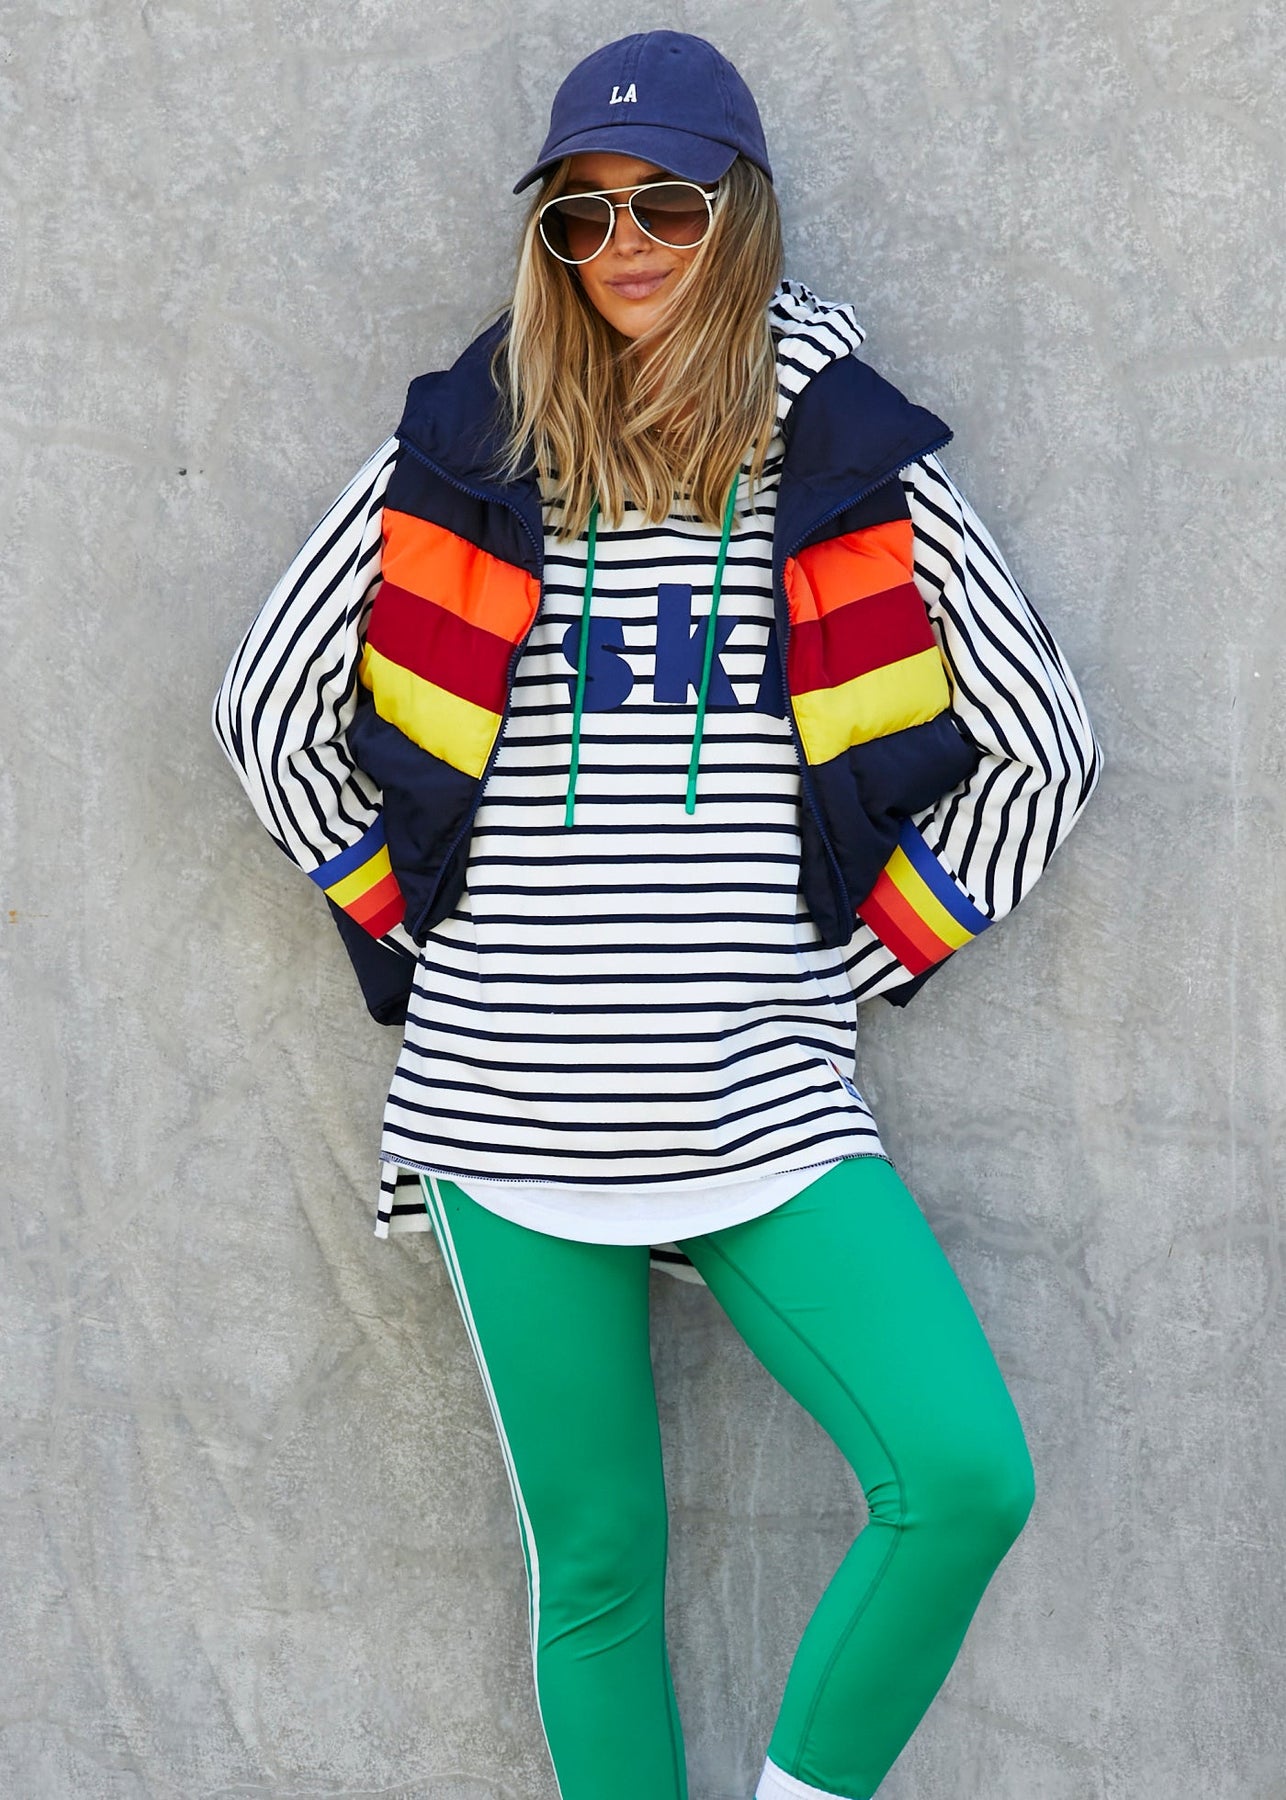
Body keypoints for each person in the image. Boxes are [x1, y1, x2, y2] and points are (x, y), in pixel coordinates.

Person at [213, 29, 1101, 1800]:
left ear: (739, 216)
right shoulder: (467, 453)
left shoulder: (843, 462)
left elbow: (1044, 746)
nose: (623, 243)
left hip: (762, 1104)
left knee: (958, 1474)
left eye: (667, 204)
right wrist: (416, 931)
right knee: (602, 1563)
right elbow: (264, 711)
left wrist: (858, 956)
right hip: (503, 1112)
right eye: (582, 213)